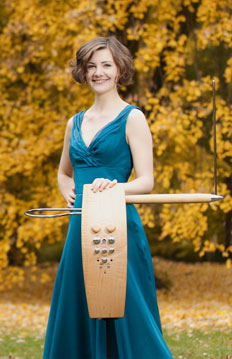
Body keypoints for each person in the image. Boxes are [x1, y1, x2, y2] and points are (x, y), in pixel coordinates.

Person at [43, 36, 173, 359]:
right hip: (80, 229)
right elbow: (64, 172)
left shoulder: (133, 118)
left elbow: (146, 182)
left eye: (106, 65)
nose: (98, 72)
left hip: (118, 228)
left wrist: (114, 187)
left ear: (119, 70)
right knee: (78, 306)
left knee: (128, 312)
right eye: (91, 66)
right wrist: (65, 189)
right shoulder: (74, 122)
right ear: (84, 72)